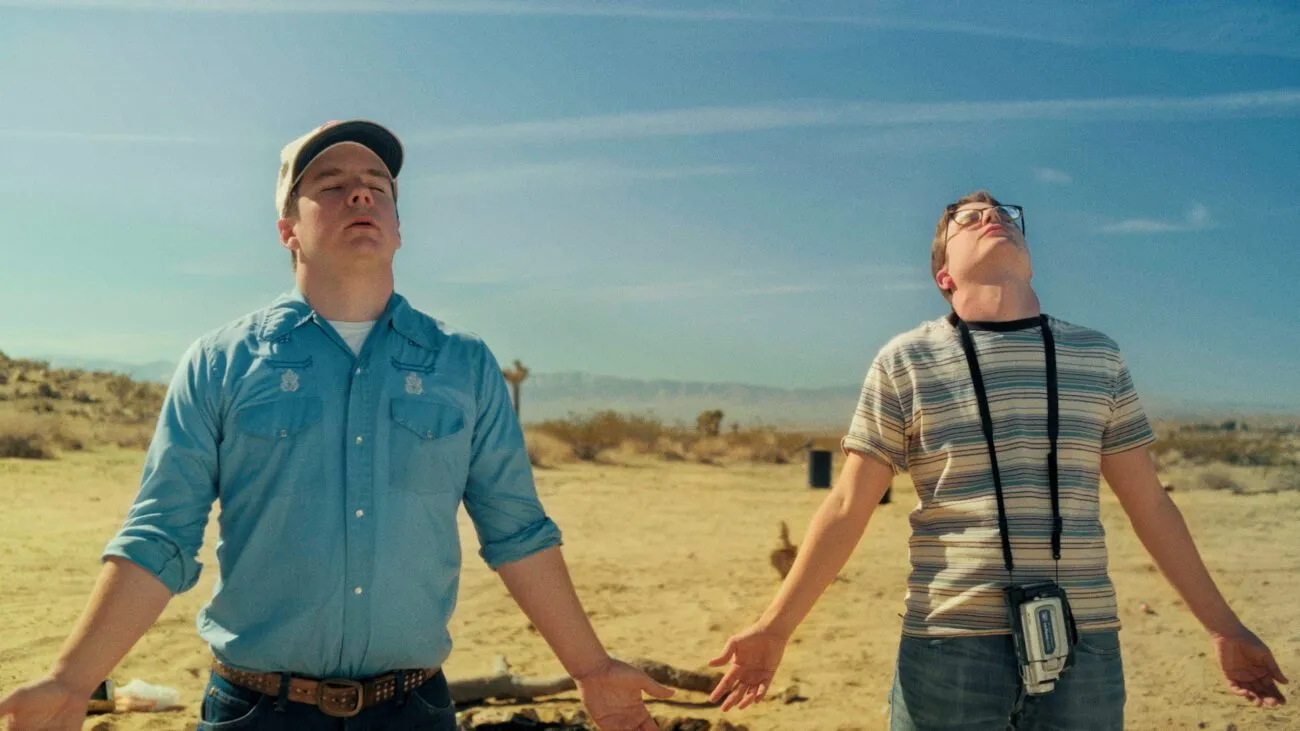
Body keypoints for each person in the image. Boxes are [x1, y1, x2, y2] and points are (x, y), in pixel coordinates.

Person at [0, 120, 672, 731]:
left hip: (413, 710)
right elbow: (160, 536)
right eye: (332, 185)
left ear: (400, 228)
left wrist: (591, 668)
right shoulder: (222, 363)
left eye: (378, 186)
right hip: (255, 711)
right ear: (287, 228)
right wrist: (71, 679)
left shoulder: (462, 365)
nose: (361, 195)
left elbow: (518, 531)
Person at [707, 190, 1288, 729]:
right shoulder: (905, 360)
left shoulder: (1098, 357)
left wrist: (1224, 627)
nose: (992, 217)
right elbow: (848, 504)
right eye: (968, 217)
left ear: (1030, 259)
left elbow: (1151, 504)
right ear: (943, 275)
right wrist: (774, 627)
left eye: (1004, 214)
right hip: (949, 642)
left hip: (1085, 645)